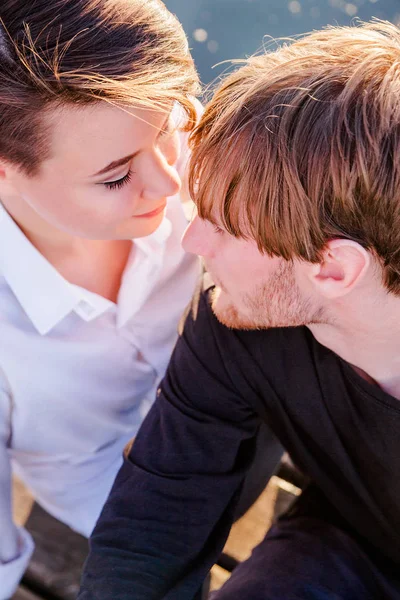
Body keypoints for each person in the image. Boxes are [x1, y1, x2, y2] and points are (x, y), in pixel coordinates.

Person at [78, 19, 400, 600]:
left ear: (334, 269)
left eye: (223, 227)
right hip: (352, 537)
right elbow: (157, 518)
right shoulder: (237, 320)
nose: (192, 243)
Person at [0, 1, 204, 597]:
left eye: (170, 128)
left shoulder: (180, 150)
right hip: (123, 514)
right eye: (115, 177)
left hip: (248, 413)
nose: (171, 184)